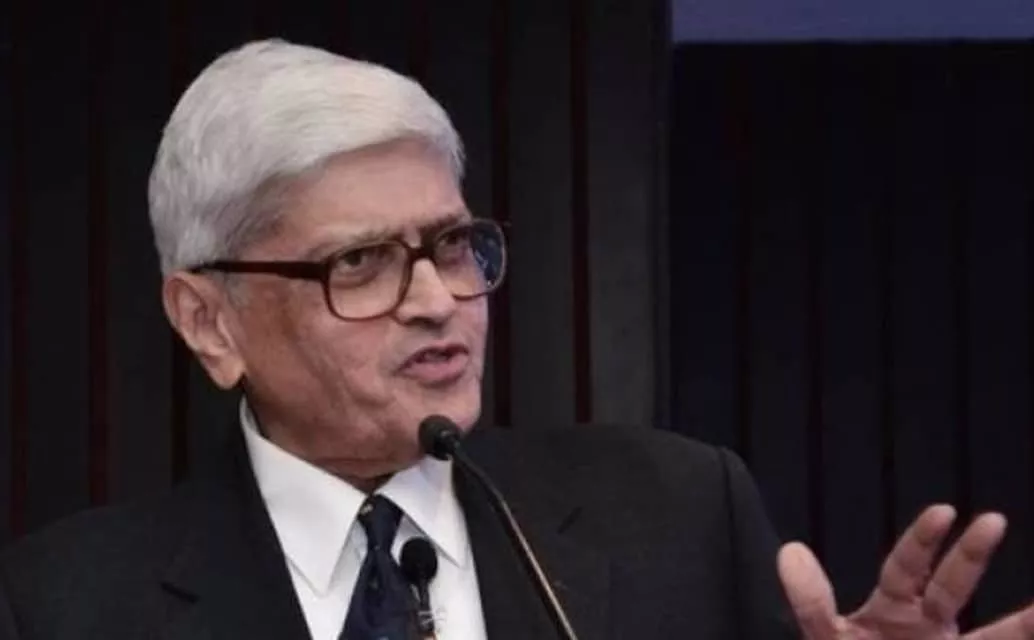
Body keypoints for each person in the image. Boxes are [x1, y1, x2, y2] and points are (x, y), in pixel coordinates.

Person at [0, 38, 1030, 640]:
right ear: (209, 321)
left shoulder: (677, 515)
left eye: (453, 244)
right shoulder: (64, 606)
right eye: (359, 263)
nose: (437, 299)